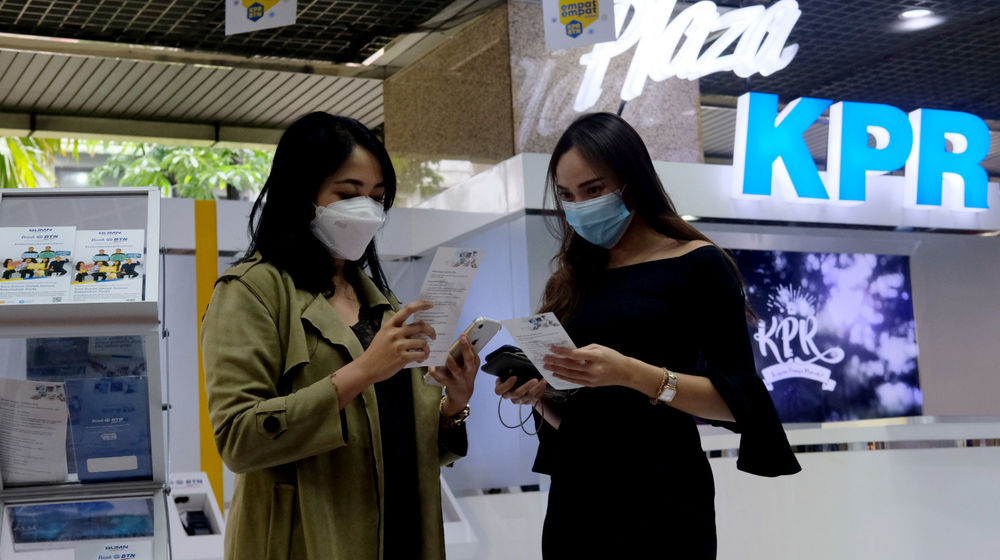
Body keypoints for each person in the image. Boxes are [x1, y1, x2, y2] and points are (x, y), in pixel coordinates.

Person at [495, 112, 801, 559]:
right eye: (567, 195)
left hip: (663, 498)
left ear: (631, 181)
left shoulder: (699, 264)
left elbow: (737, 404)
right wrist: (541, 395)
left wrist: (634, 374)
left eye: (593, 190)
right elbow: (592, 420)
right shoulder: (574, 277)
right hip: (577, 499)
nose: (579, 205)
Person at [202, 112, 480, 560]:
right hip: (308, 541)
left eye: (378, 197)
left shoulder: (380, 300)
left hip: (403, 534)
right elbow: (238, 440)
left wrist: (454, 405)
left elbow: (396, 438)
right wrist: (362, 372)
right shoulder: (251, 292)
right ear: (301, 194)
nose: (367, 210)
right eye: (349, 194)